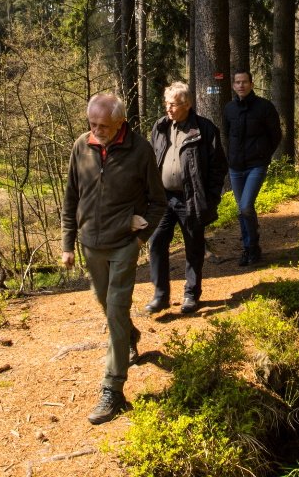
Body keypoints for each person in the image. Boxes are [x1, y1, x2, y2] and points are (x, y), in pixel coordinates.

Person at [61, 92, 167, 425]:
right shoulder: (81, 146)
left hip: (123, 245)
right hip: (90, 244)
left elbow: (158, 202)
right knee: (104, 304)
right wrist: (67, 244)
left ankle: (113, 389)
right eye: (92, 124)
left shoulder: (140, 151)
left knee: (116, 309)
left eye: (102, 125)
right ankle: (130, 337)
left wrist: (138, 236)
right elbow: (70, 197)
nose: (96, 130)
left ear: (120, 121)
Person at [146, 82, 227, 315]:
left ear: (187, 105)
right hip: (163, 198)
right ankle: (160, 295)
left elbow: (218, 167)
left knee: (193, 245)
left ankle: (191, 293)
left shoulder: (204, 129)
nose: (168, 109)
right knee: (157, 241)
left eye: (173, 104)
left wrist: (210, 198)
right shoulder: (160, 127)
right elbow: (153, 160)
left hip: (190, 199)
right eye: (166, 104)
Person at [223, 69, 282, 267]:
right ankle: (249, 248)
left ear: (251, 84)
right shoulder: (229, 108)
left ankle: (252, 245)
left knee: (246, 205)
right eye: (237, 82)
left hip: (256, 165)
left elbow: (276, 135)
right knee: (242, 210)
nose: (241, 85)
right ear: (233, 85)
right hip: (236, 167)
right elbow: (227, 134)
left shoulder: (264, 107)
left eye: (244, 82)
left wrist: (263, 155)